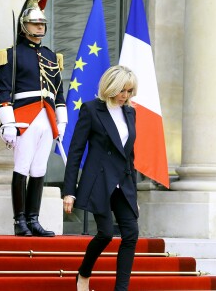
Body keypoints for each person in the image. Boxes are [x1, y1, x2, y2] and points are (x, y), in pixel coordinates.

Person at [0, 0, 67, 237]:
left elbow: (59, 92)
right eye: (35, 22)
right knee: (22, 167)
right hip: (24, 116)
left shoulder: (50, 56)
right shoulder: (11, 55)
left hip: (47, 118)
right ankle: (19, 221)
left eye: (42, 23)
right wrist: (8, 123)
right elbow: (3, 92)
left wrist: (62, 120)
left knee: (39, 169)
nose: (40, 26)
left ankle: (34, 219)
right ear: (24, 25)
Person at [63, 65, 139, 291]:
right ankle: (84, 273)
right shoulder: (91, 109)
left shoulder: (130, 112)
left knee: (131, 234)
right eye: (122, 91)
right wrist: (69, 191)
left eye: (129, 91)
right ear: (110, 87)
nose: (125, 96)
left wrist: (133, 193)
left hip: (123, 182)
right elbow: (75, 151)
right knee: (105, 233)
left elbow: (129, 155)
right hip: (99, 181)